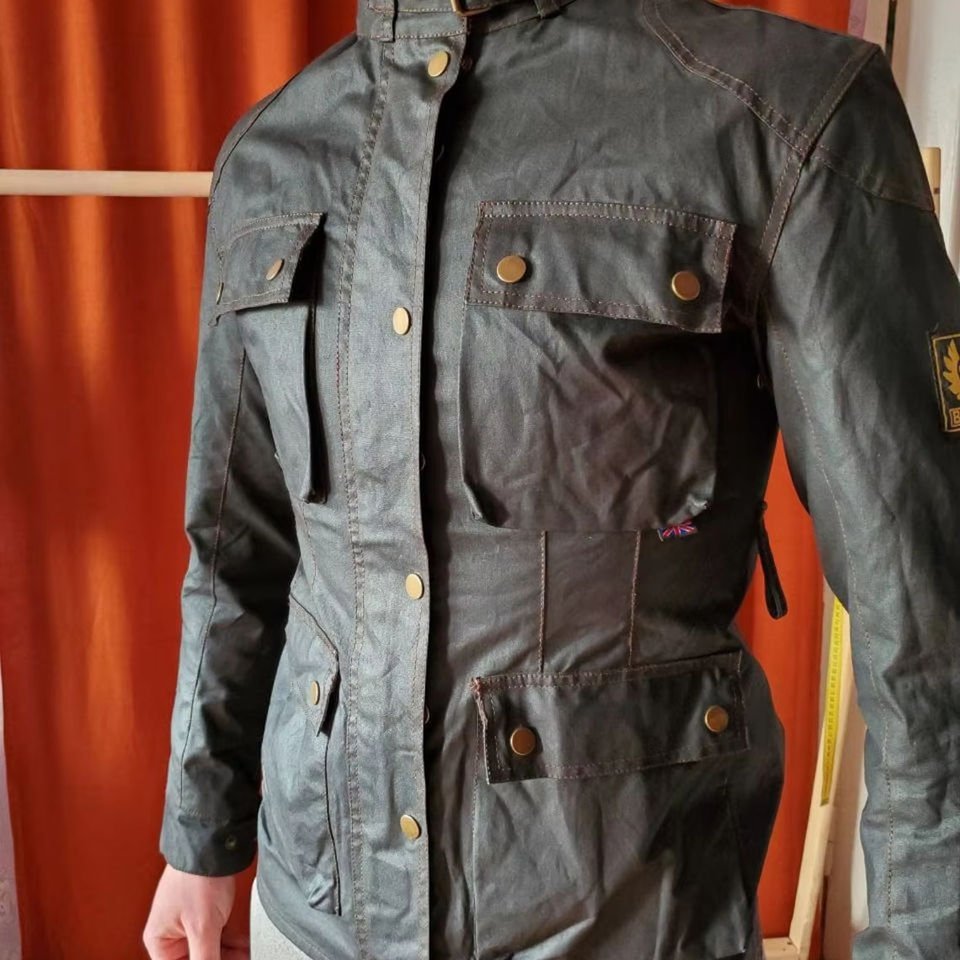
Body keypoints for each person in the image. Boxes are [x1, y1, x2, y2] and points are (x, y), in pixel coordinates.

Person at [143, 0, 960, 958]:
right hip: (311, 911)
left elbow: (925, 607)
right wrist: (199, 836)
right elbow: (236, 545)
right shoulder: (271, 155)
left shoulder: (778, 114)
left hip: (625, 917)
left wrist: (925, 936)